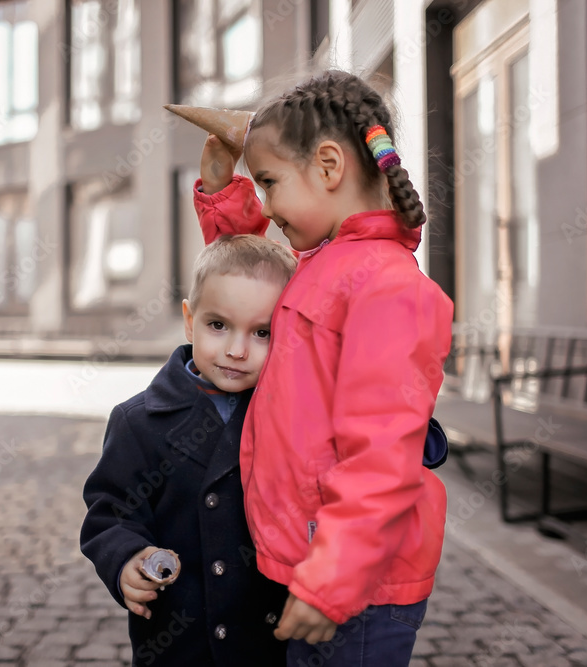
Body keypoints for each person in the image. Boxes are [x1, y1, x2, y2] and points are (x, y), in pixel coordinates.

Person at [81, 232, 448, 666]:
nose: (236, 351)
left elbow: (382, 440)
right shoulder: (139, 420)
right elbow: (111, 512)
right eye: (218, 325)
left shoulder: (298, 414)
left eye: (261, 333)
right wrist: (125, 559)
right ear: (189, 319)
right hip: (180, 641)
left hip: (268, 639)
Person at [192, 70, 454, 666]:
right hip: (315, 567)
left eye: (269, 183)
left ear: (330, 166)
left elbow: (382, 455)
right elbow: (250, 284)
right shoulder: (330, 266)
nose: (265, 203)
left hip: (355, 587)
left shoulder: (386, 289)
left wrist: (330, 580)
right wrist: (223, 193)